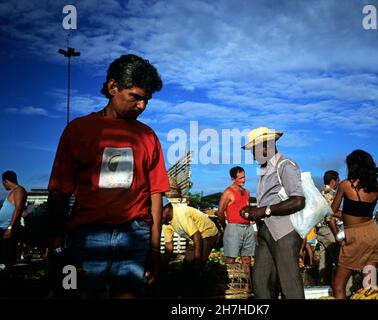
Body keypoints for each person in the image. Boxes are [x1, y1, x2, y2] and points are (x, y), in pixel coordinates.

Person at [46, 54, 170, 298]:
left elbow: (156, 195)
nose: (142, 106)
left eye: (147, 100)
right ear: (113, 87)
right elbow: (60, 191)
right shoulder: (79, 130)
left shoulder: (148, 137)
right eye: (135, 97)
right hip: (88, 237)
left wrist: (154, 249)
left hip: (135, 236)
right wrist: (57, 244)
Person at [240, 127, 306, 299]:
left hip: (283, 232)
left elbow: (298, 200)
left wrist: (265, 210)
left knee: (289, 285)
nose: (253, 156)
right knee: (260, 283)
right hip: (265, 232)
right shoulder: (265, 169)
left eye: (254, 150)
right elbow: (269, 200)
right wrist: (254, 209)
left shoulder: (285, 165)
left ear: (266, 146)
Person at [331, 149, 378, 299]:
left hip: (355, 235)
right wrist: (348, 214)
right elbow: (361, 211)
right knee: (369, 285)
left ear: (353, 166)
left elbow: (333, 210)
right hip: (373, 233)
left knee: (339, 284)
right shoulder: (376, 186)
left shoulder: (346, 185)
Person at [217, 166, 255, 274]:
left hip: (248, 227)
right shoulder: (228, 192)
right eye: (240, 178)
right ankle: (230, 287)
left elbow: (247, 209)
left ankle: (247, 286)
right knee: (231, 259)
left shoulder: (246, 192)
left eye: (244, 177)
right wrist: (225, 227)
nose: (243, 180)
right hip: (233, 227)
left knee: (247, 260)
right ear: (233, 179)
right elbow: (220, 211)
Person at [161, 203, 220, 271]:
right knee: (186, 268)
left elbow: (197, 235)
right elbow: (169, 245)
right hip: (194, 239)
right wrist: (164, 266)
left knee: (196, 265)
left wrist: (197, 260)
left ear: (167, 209)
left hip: (208, 233)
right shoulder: (165, 222)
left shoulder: (181, 214)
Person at [316, 170, 340, 285]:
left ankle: (323, 286)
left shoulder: (320, 191)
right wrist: (336, 235)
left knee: (324, 261)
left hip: (321, 230)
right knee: (340, 260)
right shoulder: (328, 193)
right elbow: (330, 216)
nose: (339, 182)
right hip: (328, 229)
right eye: (338, 180)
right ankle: (344, 290)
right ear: (333, 181)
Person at [0, 171, 27, 269]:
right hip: (2, 228)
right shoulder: (13, 192)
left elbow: (18, 208)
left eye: (3, 183)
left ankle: (8, 279)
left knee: (6, 259)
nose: (3, 185)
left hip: (7, 228)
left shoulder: (19, 190)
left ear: (5, 181)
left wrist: (10, 227)